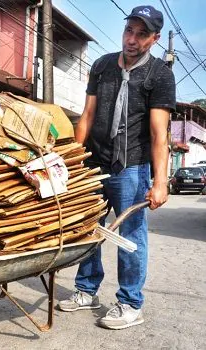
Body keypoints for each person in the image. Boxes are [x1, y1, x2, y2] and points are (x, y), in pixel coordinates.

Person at [58, 5, 176, 330]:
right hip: (95, 162)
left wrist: (161, 182)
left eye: (141, 34)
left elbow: (158, 133)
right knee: (87, 227)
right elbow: (87, 117)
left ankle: (129, 303)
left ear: (153, 39)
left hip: (133, 168)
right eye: (129, 31)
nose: (132, 40)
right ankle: (86, 289)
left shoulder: (160, 75)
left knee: (131, 234)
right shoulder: (102, 65)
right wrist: (73, 161)